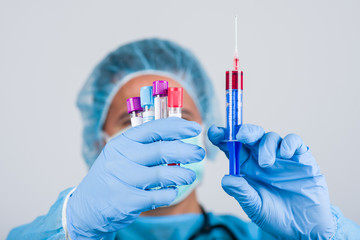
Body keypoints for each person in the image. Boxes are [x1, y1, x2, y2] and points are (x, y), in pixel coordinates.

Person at [7, 38, 360, 240]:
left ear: (207, 135)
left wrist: (325, 237)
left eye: (180, 117)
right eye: (134, 119)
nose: (159, 135)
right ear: (100, 144)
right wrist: (70, 224)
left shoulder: (263, 236)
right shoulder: (73, 231)